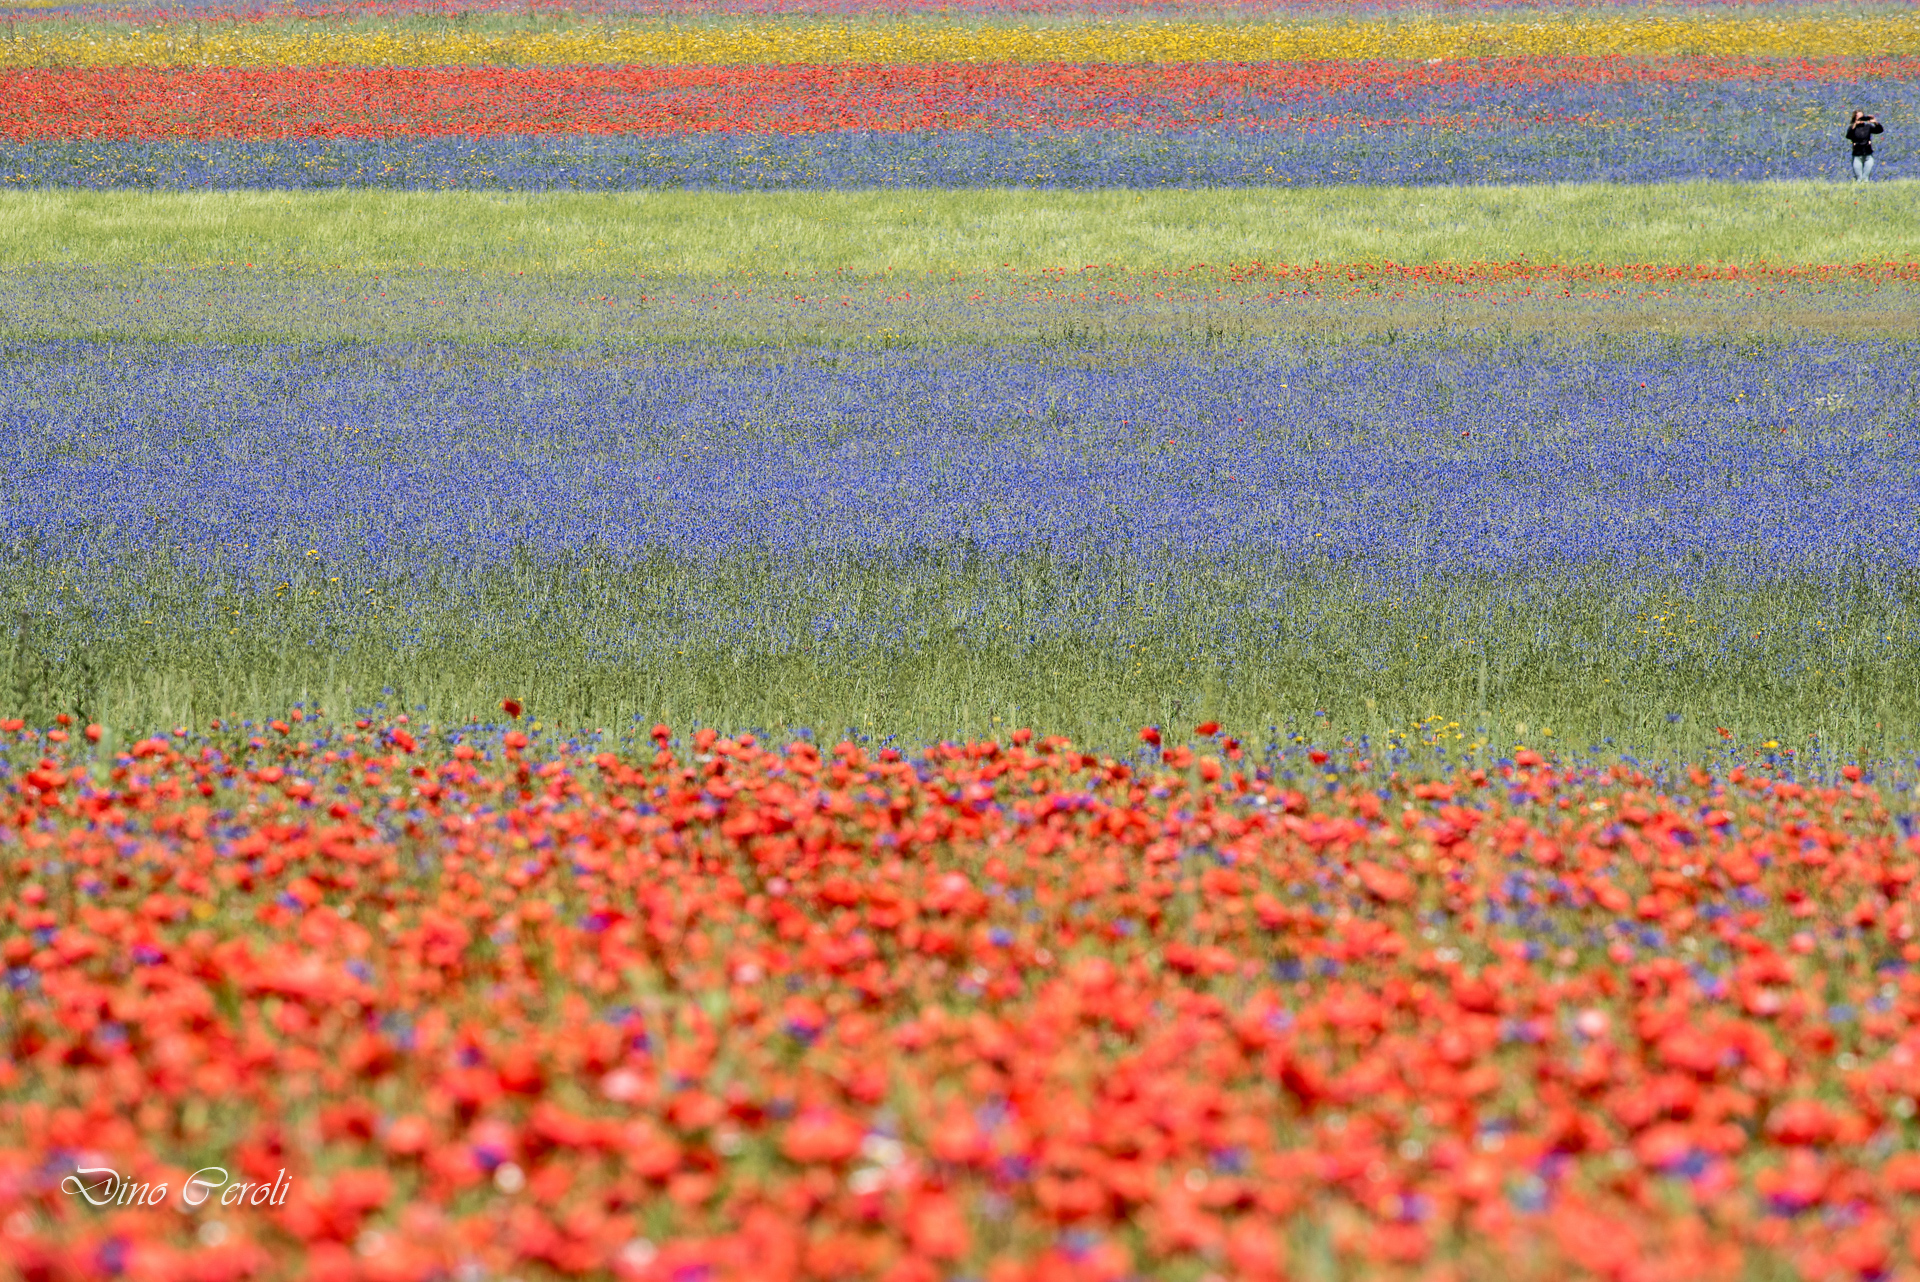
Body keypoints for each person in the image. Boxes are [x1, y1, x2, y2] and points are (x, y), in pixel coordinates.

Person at [1847, 110, 1884, 181]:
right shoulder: (1853, 128)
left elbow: (1879, 130)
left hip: (1868, 154)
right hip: (1857, 155)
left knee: (1866, 178)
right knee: (1859, 178)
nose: (1861, 119)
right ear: (1855, 118)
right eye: (1859, 117)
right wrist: (1854, 125)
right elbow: (1848, 136)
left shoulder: (1868, 127)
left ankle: (1866, 187)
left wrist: (1875, 122)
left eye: (1862, 117)